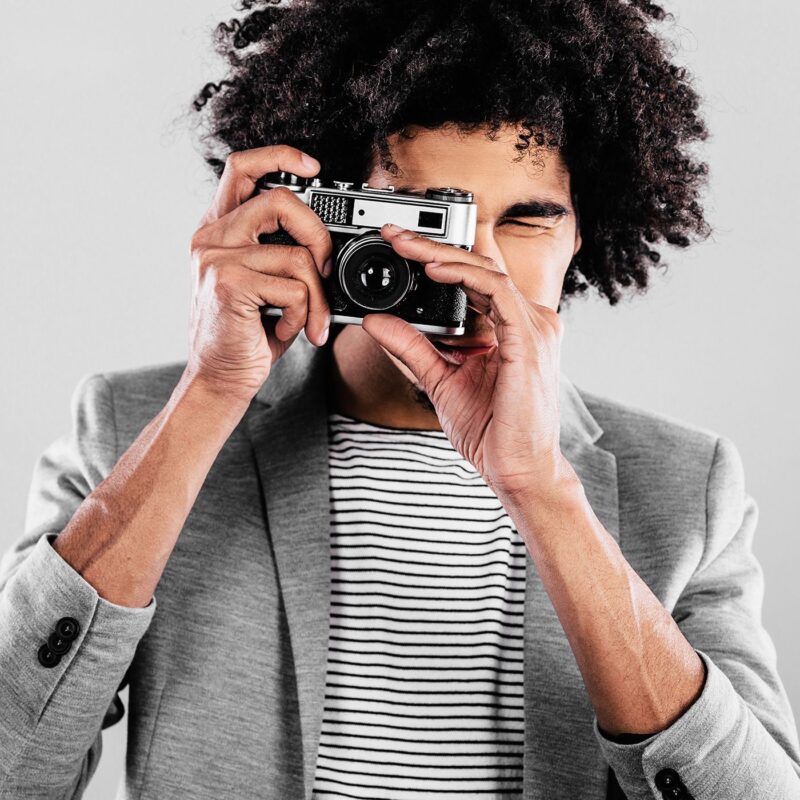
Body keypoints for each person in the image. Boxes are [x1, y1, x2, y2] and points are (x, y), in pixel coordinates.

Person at [1, 1, 798, 798]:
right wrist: (210, 396)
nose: (477, 270)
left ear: (582, 234)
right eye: (432, 221)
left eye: (526, 220)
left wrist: (545, 493)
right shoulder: (130, 430)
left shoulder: (687, 488)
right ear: (324, 215)